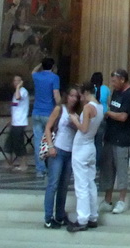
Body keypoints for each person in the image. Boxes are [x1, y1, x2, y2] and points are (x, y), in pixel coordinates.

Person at [99, 69, 130, 215]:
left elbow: (123, 117)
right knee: (107, 170)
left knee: (121, 170)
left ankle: (122, 200)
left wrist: (108, 113)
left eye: (115, 81)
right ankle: (107, 200)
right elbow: (113, 108)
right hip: (110, 136)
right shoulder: (116, 92)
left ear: (122, 80)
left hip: (122, 138)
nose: (112, 84)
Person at [67, 83, 105, 233]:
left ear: (86, 92)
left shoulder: (88, 107)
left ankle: (82, 219)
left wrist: (74, 119)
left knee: (81, 185)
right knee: (90, 183)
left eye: (81, 95)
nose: (80, 98)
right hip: (91, 147)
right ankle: (93, 216)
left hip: (82, 147)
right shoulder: (100, 107)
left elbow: (83, 128)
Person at [42, 85, 80, 229]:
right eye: (71, 95)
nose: (73, 98)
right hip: (57, 150)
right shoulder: (60, 109)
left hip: (70, 152)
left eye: (76, 96)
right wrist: (51, 146)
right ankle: (48, 217)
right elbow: (48, 127)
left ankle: (60, 215)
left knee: (64, 186)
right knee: (53, 184)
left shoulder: (76, 113)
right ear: (67, 96)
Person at [31, 57, 61, 179]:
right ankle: (50, 167)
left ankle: (40, 169)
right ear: (53, 66)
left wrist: (41, 64)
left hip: (36, 112)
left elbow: (33, 71)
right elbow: (56, 94)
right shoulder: (54, 77)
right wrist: (61, 107)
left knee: (38, 141)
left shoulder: (36, 76)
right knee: (51, 140)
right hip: (48, 112)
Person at [6, 75, 29, 172]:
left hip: (20, 122)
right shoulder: (15, 92)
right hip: (15, 122)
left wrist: (19, 87)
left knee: (19, 144)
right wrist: (11, 120)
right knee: (10, 143)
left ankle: (23, 164)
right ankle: (9, 163)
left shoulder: (23, 91)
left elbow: (18, 97)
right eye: (14, 80)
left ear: (21, 82)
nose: (15, 82)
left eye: (17, 81)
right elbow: (14, 108)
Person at [91, 71, 111, 169]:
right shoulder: (106, 89)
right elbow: (108, 103)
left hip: (92, 117)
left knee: (91, 141)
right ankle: (98, 164)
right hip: (103, 117)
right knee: (99, 142)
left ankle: (91, 161)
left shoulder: (91, 90)